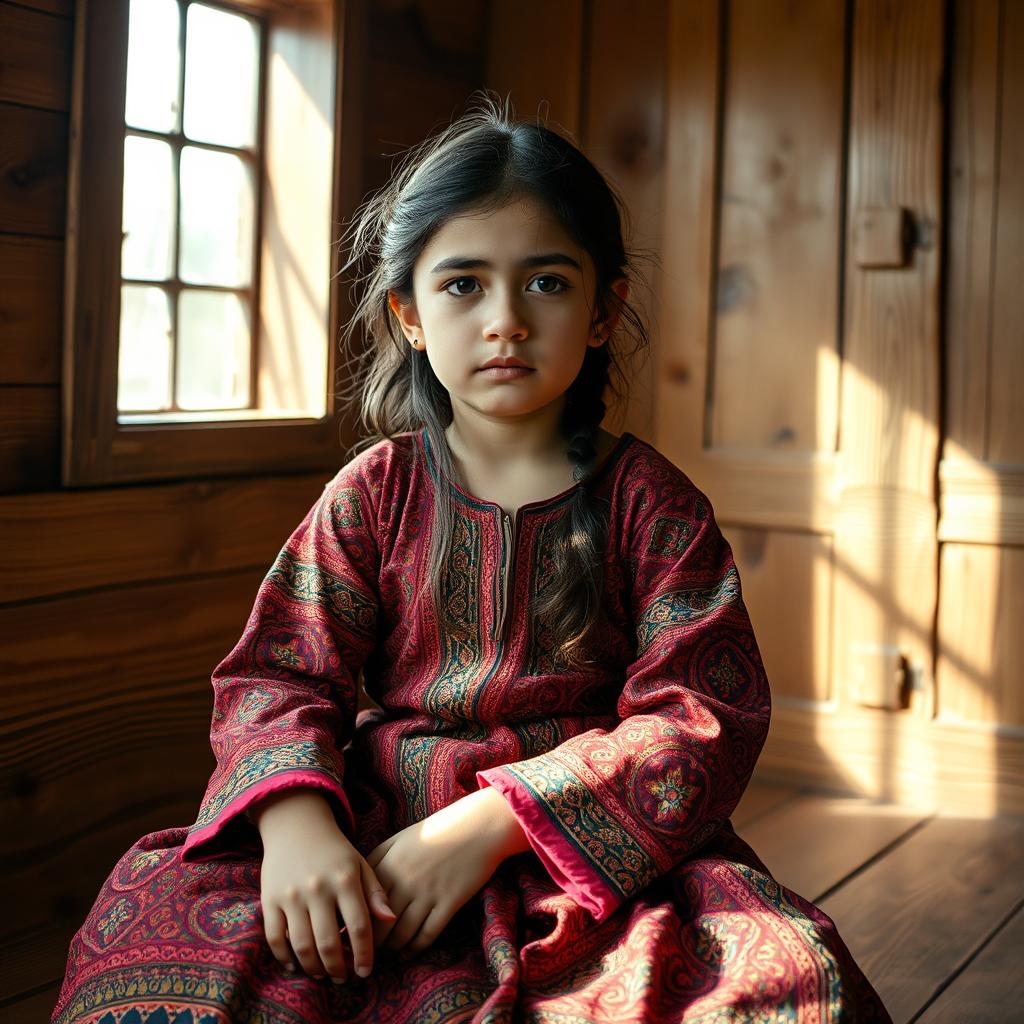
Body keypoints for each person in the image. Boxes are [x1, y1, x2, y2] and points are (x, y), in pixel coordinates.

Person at [52, 95, 891, 1023]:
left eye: (546, 283)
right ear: (409, 315)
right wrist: (297, 831)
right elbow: (277, 676)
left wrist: (489, 826)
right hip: (375, 828)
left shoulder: (653, 504)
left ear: (605, 310)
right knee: (152, 943)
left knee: (788, 989)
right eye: (462, 285)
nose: (505, 321)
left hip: (600, 850)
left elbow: (702, 714)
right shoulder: (374, 492)